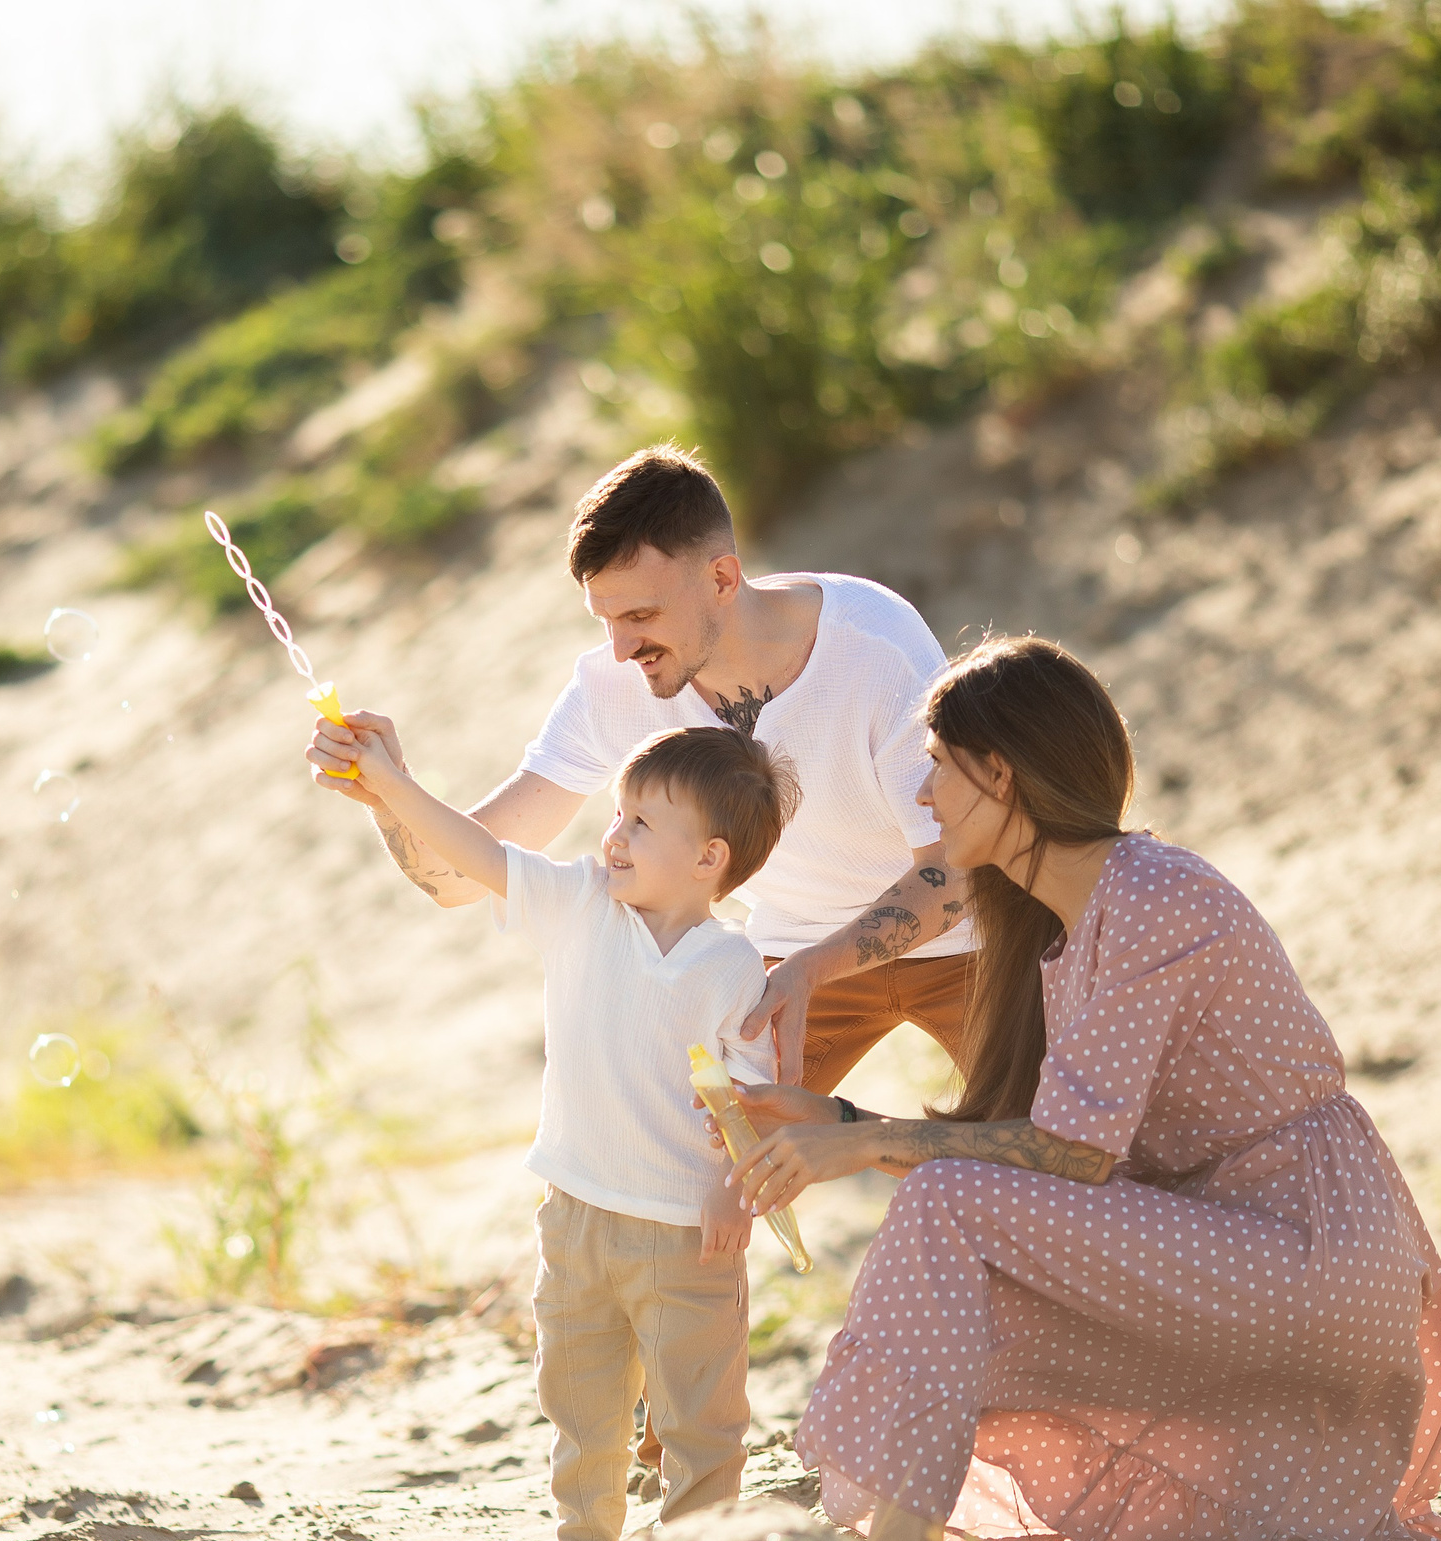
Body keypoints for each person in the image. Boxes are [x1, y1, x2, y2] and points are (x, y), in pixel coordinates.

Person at [717, 636, 1441, 1541]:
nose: (922, 796)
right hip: (1225, 1239)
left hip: (1306, 1250)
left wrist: (863, 1142)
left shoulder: (1155, 896)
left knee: (944, 1203)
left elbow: (1070, 1154)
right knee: (955, 1251)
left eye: (938, 768)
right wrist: (836, 1121)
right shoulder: (1068, 925)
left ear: (1002, 774)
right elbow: (1036, 1153)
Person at [308, 445, 972, 1094]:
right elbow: (458, 880)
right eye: (605, 620)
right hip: (791, 957)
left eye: (640, 616)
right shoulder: (614, 685)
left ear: (722, 578)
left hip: (967, 941)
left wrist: (810, 967)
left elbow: (956, 870)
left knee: (1055, 1161)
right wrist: (386, 796)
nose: (621, 648)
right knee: (702, 1172)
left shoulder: (874, 647)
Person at [320, 713, 796, 1541]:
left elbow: (749, 1099)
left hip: (687, 1231)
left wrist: (737, 1188)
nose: (613, 836)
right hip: (574, 1213)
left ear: (709, 859)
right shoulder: (580, 903)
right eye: (618, 814)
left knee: (699, 1409)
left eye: (641, 824)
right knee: (581, 1398)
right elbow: (479, 854)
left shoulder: (733, 965)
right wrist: (389, 784)